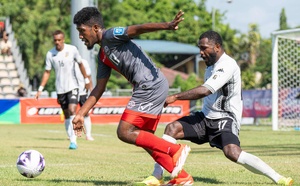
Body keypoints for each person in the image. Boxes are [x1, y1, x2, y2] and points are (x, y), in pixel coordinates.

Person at [137, 30, 294, 186]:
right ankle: (157, 175)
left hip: (225, 118)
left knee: (232, 153)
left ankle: (278, 178)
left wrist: (175, 97)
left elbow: (205, 90)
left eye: (204, 48)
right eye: (200, 48)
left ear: (217, 47)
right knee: (172, 129)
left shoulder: (228, 64)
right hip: (206, 118)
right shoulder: (210, 65)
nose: (201, 52)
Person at [72, 7, 193, 185]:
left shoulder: (110, 35)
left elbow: (138, 28)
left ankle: (175, 149)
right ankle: (183, 178)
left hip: (149, 84)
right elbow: (99, 88)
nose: (81, 36)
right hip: (152, 86)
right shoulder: (103, 55)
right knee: (146, 140)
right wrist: (81, 113)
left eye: (82, 31)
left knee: (124, 131)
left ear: (96, 28)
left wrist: (166, 26)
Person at [35, 30, 91, 150]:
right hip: (60, 89)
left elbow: (80, 64)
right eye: (55, 40)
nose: (57, 42)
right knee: (66, 115)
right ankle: (71, 137)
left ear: (63, 39)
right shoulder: (50, 54)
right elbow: (47, 72)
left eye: (59, 40)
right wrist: (40, 88)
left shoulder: (72, 50)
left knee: (72, 110)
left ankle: (73, 141)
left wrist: (86, 80)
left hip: (73, 86)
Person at [75, 58, 94, 141]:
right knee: (70, 113)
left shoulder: (84, 62)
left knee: (85, 113)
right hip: (71, 90)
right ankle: (72, 135)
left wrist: (91, 90)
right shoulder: (69, 61)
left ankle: (88, 135)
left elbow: (89, 76)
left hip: (83, 91)